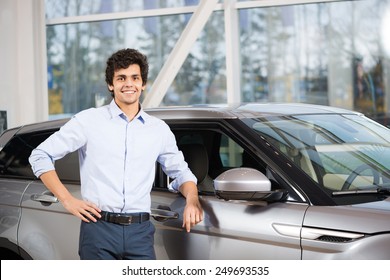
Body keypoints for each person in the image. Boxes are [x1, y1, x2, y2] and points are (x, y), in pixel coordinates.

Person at [29, 48, 203, 260]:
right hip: (98, 230)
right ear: (111, 85)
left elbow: (181, 173)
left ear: (143, 83)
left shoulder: (158, 130)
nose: (128, 84)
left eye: (134, 77)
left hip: (140, 233)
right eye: (121, 78)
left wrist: (192, 200)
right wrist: (67, 200)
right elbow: (40, 155)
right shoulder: (88, 121)